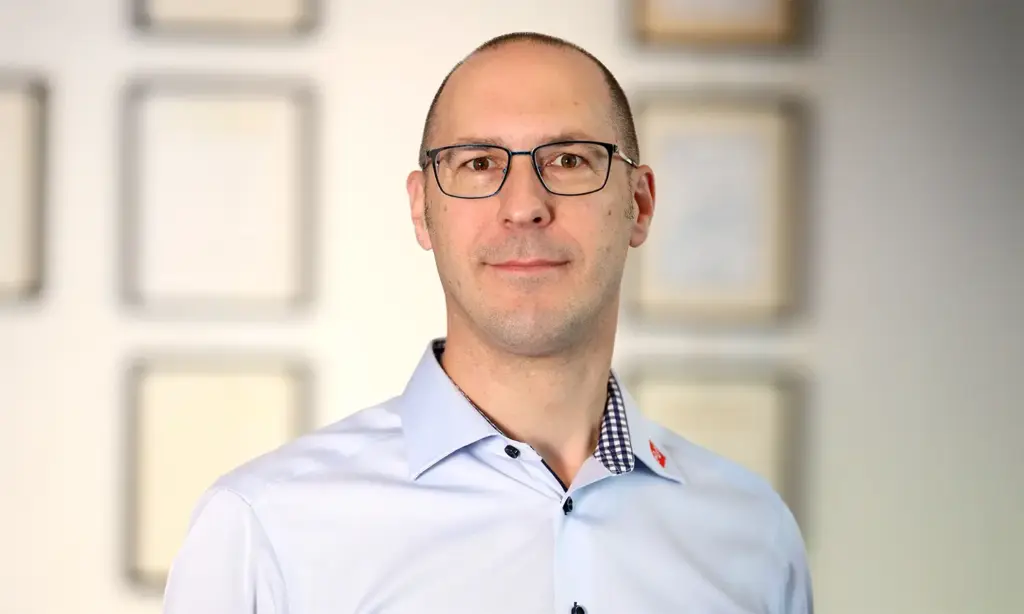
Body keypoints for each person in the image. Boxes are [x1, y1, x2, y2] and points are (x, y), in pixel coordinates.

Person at [162, 31, 813, 614]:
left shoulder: (754, 534)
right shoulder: (264, 529)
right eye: (478, 163)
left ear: (638, 204)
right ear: (421, 209)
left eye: (569, 160)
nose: (524, 206)